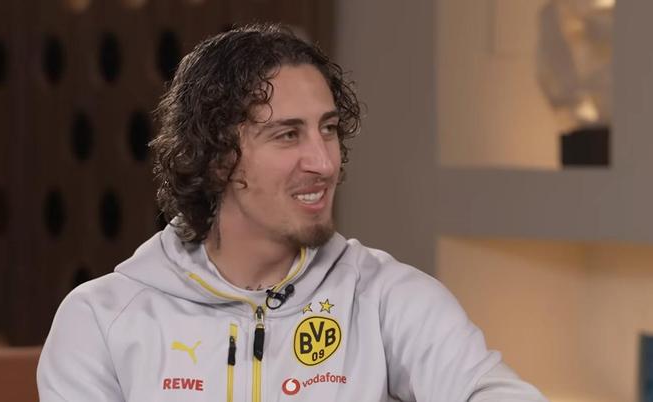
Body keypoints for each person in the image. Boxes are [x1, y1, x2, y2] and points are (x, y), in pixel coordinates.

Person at [37, 23, 548, 402]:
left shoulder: (386, 299)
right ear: (216, 157)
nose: (324, 162)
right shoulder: (102, 321)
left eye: (329, 129)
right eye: (287, 135)